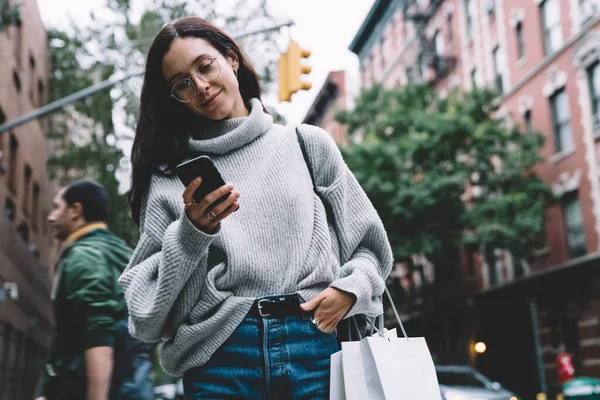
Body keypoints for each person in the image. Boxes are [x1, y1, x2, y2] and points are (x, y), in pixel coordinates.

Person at [119, 16, 393, 399]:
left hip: (315, 342)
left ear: (231, 58)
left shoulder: (306, 145)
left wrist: (351, 290)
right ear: (174, 97)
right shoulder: (170, 182)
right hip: (220, 358)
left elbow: (370, 246)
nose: (200, 85)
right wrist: (190, 234)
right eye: (182, 83)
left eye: (204, 65)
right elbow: (145, 316)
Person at [35, 180, 152, 400]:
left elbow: (98, 333)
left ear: (75, 211)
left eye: (57, 207)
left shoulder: (83, 256)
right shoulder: (123, 254)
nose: (51, 217)